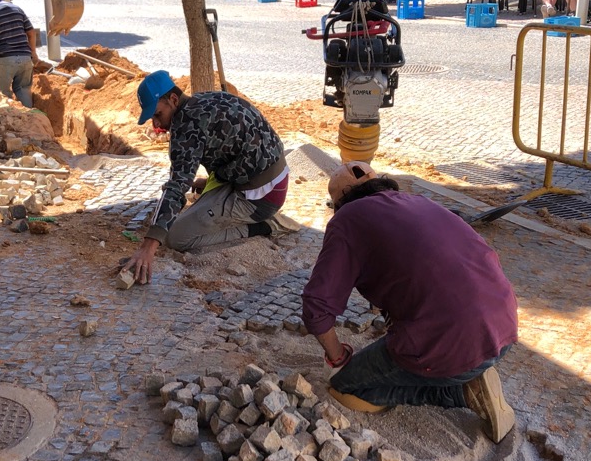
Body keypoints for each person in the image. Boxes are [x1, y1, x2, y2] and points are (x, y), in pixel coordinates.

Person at [301, 162, 518, 442]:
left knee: (345, 389)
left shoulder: (347, 218)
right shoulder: (418, 201)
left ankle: (460, 392)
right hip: (505, 328)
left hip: (455, 344)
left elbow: (317, 307)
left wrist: (337, 357)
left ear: (339, 203)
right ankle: (468, 376)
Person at [120, 71, 294, 283]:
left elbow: (176, 187)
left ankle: (265, 226)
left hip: (262, 197)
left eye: (158, 114)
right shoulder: (205, 99)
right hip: (272, 175)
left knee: (176, 236)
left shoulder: (187, 128)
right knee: (196, 201)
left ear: (173, 100)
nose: (156, 125)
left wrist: (148, 247)